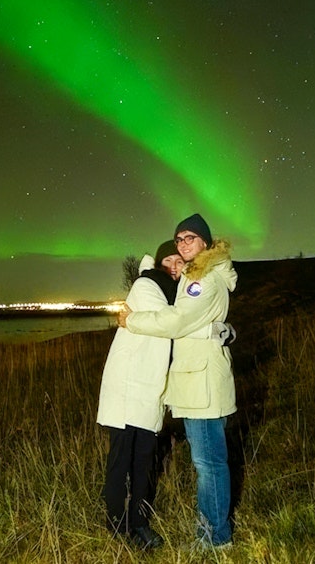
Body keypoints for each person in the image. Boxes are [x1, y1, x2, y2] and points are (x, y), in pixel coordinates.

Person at [118, 213, 237, 549]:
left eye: (191, 238)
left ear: (205, 243)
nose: (184, 244)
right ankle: (212, 530)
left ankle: (215, 538)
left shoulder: (203, 277)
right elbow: (198, 322)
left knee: (209, 463)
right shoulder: (198, 273)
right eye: (179, 239)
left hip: (201, 383)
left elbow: (178, 320)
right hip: (198, 380)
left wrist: (133, 321)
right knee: (209, 461)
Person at [96, 240, 185, 550]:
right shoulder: (146, 284)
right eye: (169, 260)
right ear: (160, 263)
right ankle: (117, 524)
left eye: (180, 261)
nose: (175, 266)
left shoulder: (176, 292)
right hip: (127, 386)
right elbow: (171, 322)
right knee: (121, 460)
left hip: (148, 391)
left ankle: (140, 523)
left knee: (144, 462)